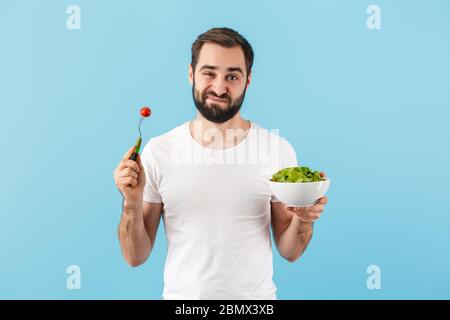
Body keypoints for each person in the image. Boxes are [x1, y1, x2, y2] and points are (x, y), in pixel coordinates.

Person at [113, 27, 328, 300]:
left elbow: (291, 252)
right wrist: (131, 201)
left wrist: (304, 219)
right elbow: (135, 256)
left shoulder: (276, 150)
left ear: (248, 80)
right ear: (191, 74)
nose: (219, 87)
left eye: (232, 76)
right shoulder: (159, 151)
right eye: (209, 73)